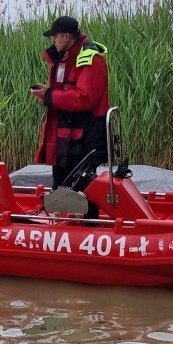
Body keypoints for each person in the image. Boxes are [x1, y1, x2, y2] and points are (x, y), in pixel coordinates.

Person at [30, 15, 109, 216]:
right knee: (62, 185)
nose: (52, 41)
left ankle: (88, 227)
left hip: (85, 137)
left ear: (66, 36)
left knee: (82, 188)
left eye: (55, 37)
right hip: (67, 137)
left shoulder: (91, 58)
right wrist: (48, 94)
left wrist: (51, 96)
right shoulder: (66, 56)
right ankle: (64, 226)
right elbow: (67, 90)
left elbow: (85, 98)